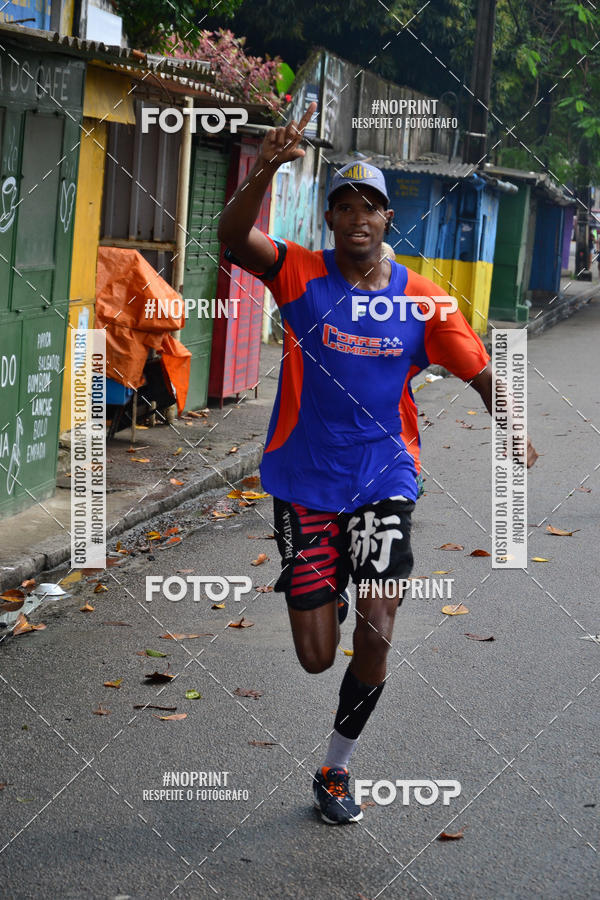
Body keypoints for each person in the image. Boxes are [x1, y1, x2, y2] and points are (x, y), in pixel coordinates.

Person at [217, 103, 538, 825]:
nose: (357, 219)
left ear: (388, 218)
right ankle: (321, 587)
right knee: (313, 657)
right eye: (343, 207)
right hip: (303, 481)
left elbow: (481, 372)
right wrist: (266, 165)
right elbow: (232, 236)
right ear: (328, 220)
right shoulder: (298, 275)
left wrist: (513, 431)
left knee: (382, 621)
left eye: (370, 208)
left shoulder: (423, 300)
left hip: (383, 478)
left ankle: (336, 767)